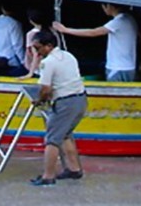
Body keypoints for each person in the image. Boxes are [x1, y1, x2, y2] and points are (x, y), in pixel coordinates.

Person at [27, 29, 86, 186]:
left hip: (65, 102)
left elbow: (45, 89)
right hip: (80, 100)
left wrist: (39, 101)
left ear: (49, 46)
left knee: (52, 140)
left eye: (38, 48)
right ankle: (74, 169)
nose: (37, 52)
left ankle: (48, 176)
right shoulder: (68, 56)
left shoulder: (48, 63)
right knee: (65, 134)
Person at [53, 3, 137, 81]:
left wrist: (65, 30)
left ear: (109, 6)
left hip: (118, 67)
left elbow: (93, 32)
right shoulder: (130, 19)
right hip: (129, 66)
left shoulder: (119, 21)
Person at [0, 3, 27, 76]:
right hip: (11, 61)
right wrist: (23, 61)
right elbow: (17, 44)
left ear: (2, 8)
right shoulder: (15, 23)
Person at [23, 8, 51, 78]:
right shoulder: (53, 32)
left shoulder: (31, 34)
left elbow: (36, 55)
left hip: (38, 69)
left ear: (31, 20)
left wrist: (31, 72)